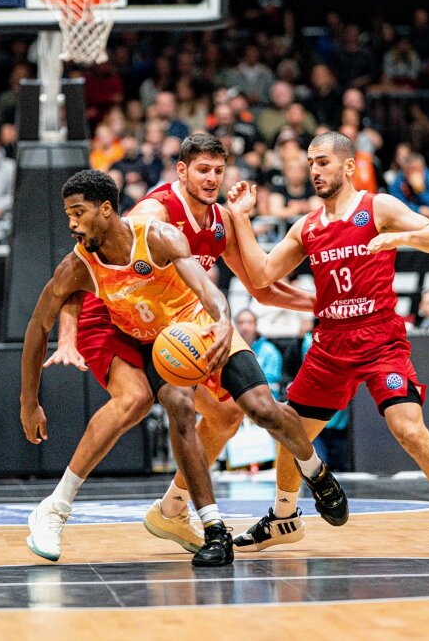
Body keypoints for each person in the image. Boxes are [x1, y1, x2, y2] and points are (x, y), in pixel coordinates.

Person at [20, 170, 346, 568]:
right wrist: (29, 400)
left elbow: (210, 287)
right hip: (155, 340)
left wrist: (224, 319)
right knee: (163, 404)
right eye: (68, 213)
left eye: (77, 212)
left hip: (198, 324)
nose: (71, 223)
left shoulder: (160, 234)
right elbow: (39, 325)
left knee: (259, 409)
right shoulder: (80, 262)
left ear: (106, 210)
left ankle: (316, 473)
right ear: (183, 173)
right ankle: (209, 528)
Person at [226, 131, 429, 556]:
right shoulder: (307, 227)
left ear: (349, 166)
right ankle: (283, 518)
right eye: (311, 163)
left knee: (409, 430)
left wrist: (399, 238)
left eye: (323, 162)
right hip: (330, 343)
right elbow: (260, 276)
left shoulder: (378, 207)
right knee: (290, 431)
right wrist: (241, 217)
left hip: (380, 341)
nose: (315, 171)